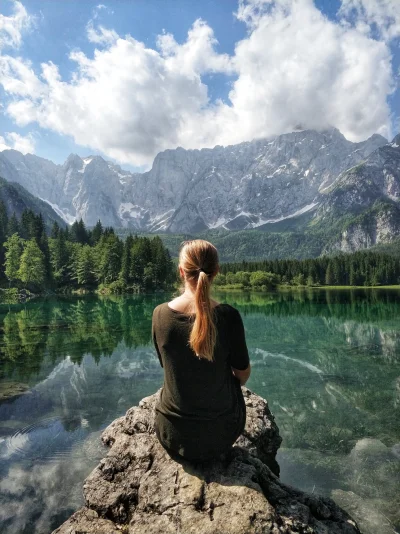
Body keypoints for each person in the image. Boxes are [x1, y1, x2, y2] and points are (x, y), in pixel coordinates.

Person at [151, 239, 251, 463]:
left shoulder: (160, 315)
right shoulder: (228, 316)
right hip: (221, 435)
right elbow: (242, 376)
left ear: (181, 272)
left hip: (172, 434)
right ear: (216, 271)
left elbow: (167, 367)